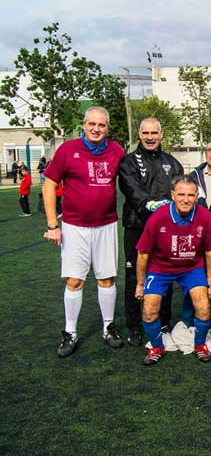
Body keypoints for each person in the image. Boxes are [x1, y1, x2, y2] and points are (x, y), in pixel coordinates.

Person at [43, 106, 125, 357]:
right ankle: (70, 332)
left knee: (106, 279)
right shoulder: (67, 150)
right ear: (84, 124)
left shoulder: (117, 151)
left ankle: (108, 327)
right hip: (74, 226)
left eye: (101, 125)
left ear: (107, 128)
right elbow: (49, 186)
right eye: (92, 124)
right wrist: (52, 226)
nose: (96, 129)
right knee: (75, 280)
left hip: (106, 223)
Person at [135, 176, 211, 365]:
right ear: (172, 195)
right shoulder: (158, 217)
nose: (185, 199)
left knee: (203, 306)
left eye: (190, 195)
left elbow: (210, 251)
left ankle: (199, 345)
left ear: (197, 196)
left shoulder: (204, 216)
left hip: (191, 267)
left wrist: (210, 280)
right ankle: (157, 347)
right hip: (160, 267)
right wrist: (140, 284)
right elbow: (142, 254)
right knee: (149, 309)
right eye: (181, 194)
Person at [118, 118, 184, 346]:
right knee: (135, 276)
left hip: (166, 231)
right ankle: (135, 326)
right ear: (139, 134)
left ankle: (163, 322)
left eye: (154, 132)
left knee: (164, 274)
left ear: (161, 134)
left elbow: (179, 192)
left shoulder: (172, 163)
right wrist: (150, 204)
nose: (149, 137)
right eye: (145, 132)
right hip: (137, 227)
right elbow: (132, 189)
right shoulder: (128, 162)